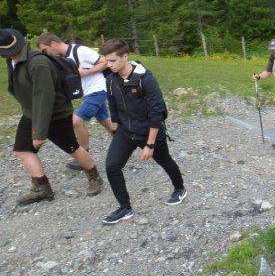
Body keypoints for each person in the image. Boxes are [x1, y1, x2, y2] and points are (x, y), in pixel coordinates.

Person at [1, 28, 103, 205]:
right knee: (23, 150)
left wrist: (40, 132)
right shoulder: (12, 61)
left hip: (56, 114)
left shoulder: (38, 63)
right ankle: (43, 188)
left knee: (72, 148)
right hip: (32, 112)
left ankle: (94, 177)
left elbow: (44, 97)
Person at [100, 38, 186, 224]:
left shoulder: (145, 79)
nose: (109, 65)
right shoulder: (110, 80)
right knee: (112, 166)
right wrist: (115, 129)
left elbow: (156, 113)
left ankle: (179, 188)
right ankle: (125, 208)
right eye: (107, 61)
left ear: (125, 56)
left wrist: (150, 145)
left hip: (149, 132)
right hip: (126, 131)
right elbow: (113, 105)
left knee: (165, 160)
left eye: (113, 60)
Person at [37, 32, 116, 171]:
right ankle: (127, 143)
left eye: (45, 50)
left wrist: (86, 72)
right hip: (89, 92)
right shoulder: (62, 58)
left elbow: (105, 62)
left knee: (76, 121)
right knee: (105, 121)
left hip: (98, 90)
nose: (45, 54)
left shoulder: (80, 50)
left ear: (53, 44)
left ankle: (83, 156)